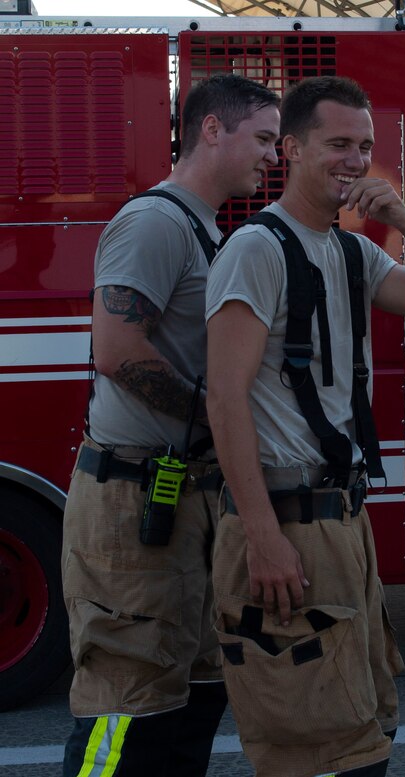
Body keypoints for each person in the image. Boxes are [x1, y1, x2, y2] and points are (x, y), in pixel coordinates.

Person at [204, 75, 405, 777]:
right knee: (308, 742)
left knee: (359, 724)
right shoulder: (257, 249)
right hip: (284, 523)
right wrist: (262, 538)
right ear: (292, 149)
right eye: (338, 145)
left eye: (366, 146)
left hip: (340, 523)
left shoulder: (353, 252)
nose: (356, 160)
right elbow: (225, 397)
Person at [60, 75, 280, 776]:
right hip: (135, 503)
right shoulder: (154, 222)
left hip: (185, 500)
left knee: (190, 701)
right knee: (130, 710)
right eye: (265, 138)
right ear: (211, 129)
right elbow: (118, 349)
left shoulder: (205, 229)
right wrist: (215, 418)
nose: (274, 157)